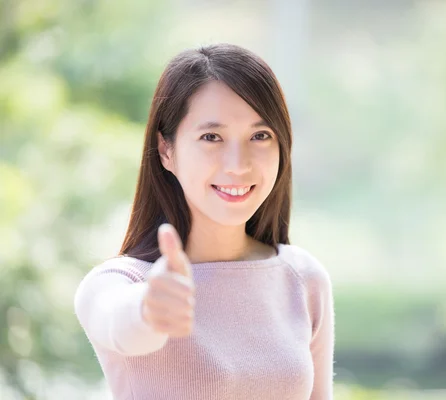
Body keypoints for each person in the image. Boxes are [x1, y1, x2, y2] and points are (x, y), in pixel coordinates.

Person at [73, 43, 335, 400]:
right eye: (211, 137)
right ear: (167, 151)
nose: (237, 164)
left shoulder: (302, 278)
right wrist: (149, 309)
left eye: (260, 136)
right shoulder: (119, 283)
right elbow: (118, 321)